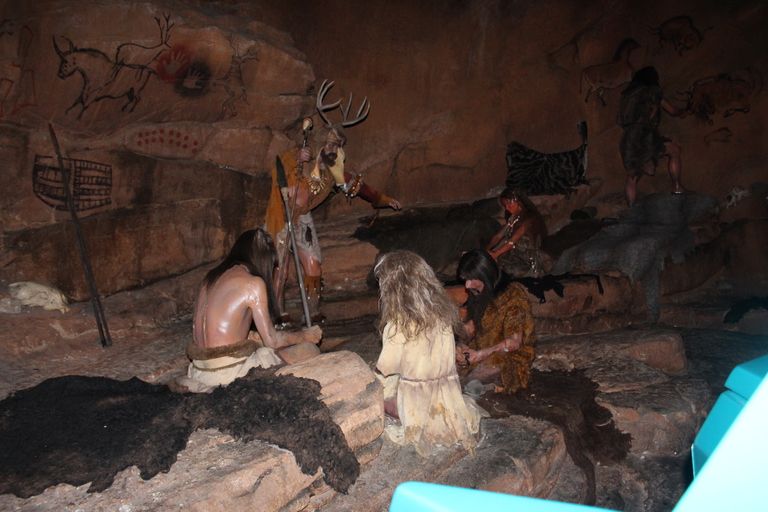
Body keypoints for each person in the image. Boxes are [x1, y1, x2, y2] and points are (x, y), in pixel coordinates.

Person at [265, 123, 401, 325]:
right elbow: (278, 168)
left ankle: (312, 314)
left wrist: (383, 199)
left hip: (302, 219)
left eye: (337, 146)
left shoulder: (331, 172)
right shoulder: (297, 158)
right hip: (281, 217)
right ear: (320, 143)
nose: (334, 150)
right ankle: (278, 315)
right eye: (331, 145)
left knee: (314, 269)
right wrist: (296, 158)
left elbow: (356, 186)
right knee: (281, 270)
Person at [177, 229, 322, 393]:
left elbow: (221, 332)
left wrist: (253, 336)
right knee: (309, 349)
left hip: (199, 370)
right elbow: (272, 341)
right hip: (229, 372)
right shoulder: (253, 283)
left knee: (263, 345)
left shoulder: (209, 278)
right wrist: (304, 335)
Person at [373, 250, 486, 458]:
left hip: (416, 404)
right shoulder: (443, 315)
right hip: (446, 396)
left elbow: (387, 367)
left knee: (376, 396)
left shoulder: (398, 325)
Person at [455, 250, 536, 394]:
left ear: (486, 276)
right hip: (478, 351)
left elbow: (513, 343)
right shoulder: (479, 293)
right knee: (448, 358)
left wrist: (479, 355)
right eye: (465, 279)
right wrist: (460, 345)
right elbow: (470, 327)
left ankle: (460, 387)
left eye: (472, 279)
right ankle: (475, 385)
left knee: (495, 364)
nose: (467, 285)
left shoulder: (513, 295)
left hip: (509, 357)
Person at [617, 66, 689, 207]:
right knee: (674, 150)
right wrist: (682, 112)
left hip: (628, 138)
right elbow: (673, 111)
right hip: (645, 136)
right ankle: (677, 187)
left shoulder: (628, 97)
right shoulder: (651, 93)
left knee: (632, 176)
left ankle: (632, 209)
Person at [486, 187, 548, 276]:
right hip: (513, 253)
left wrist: (496, 253)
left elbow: (513, 240)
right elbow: (498, 236)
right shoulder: (513, 218)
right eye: (505, 206)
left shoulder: (529, 219)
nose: (507, 208)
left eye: (509, 204)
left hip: (525, 257)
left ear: (517, 200)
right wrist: (488, 249)